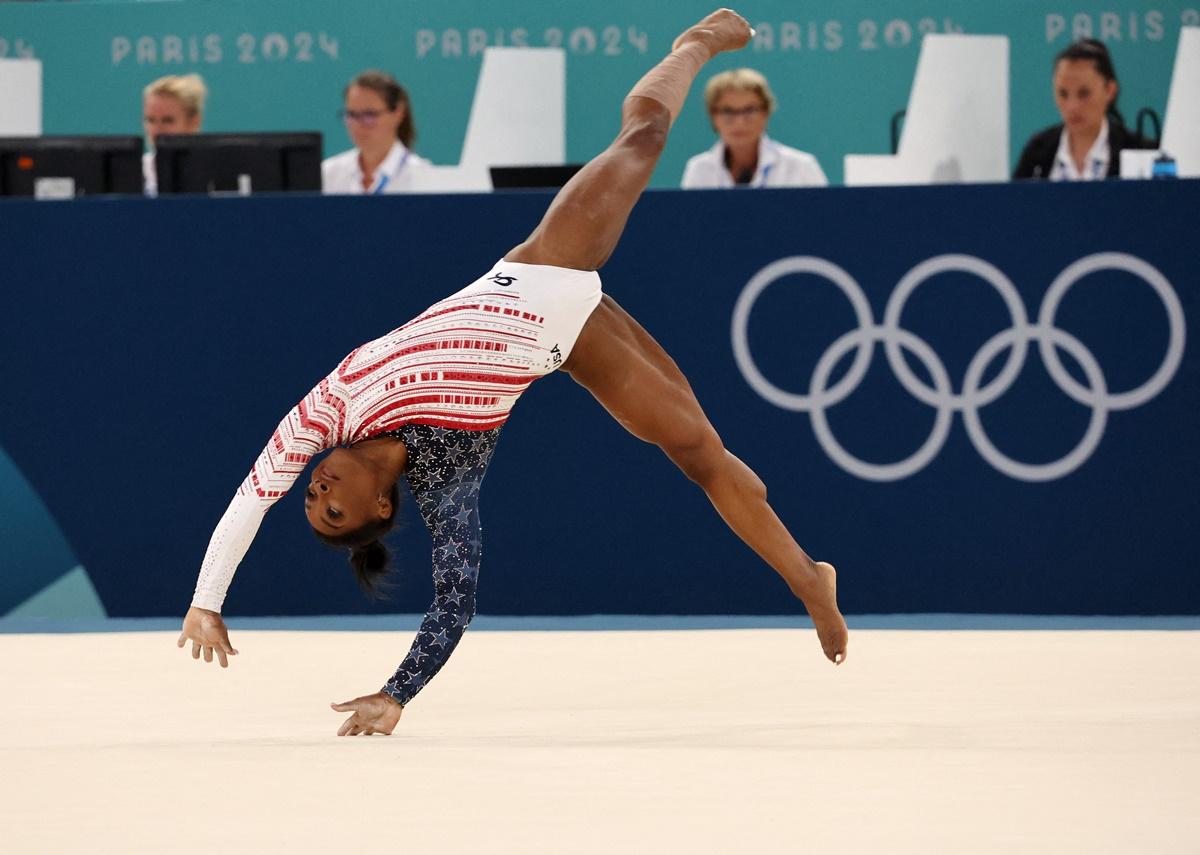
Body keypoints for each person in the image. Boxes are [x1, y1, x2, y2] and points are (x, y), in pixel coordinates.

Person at [178, 9, 848, 738]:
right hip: (572, 342)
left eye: (311, 497)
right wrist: (395, 693)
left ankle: (695, 42)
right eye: (331, 511)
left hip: (540, 268)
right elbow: (454, 598)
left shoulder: (325, 413)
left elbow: (251, 499)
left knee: (645, 137)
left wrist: (207, 599)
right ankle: (808, 577)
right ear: (380, 510)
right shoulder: (444, 474)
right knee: (698, 454)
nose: (318, 490)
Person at [1013, 39, 1155, 180]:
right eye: (1063, 94)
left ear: (1110, 91)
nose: (1072, 106)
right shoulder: (1036, 151)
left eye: (1084, 93)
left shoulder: (1140, 151)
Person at [681, 67, 827, 188]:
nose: (740, 121)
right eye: (728, 111)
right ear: (713, 116)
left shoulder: (801, 166)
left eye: (749, 110)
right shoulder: (699, 169)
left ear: (766, 112)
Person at [322, 70, 431, 195]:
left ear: (398, 113)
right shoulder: (327, 174)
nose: (358, 124)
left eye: (369, 115)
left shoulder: (422, 177)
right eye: (351, 115)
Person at [142, 74, 206, 196]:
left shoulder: (214, 172)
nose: (157, 129)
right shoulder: (135, 172)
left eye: (168, 120)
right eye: (150, 120)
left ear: (194, 122)